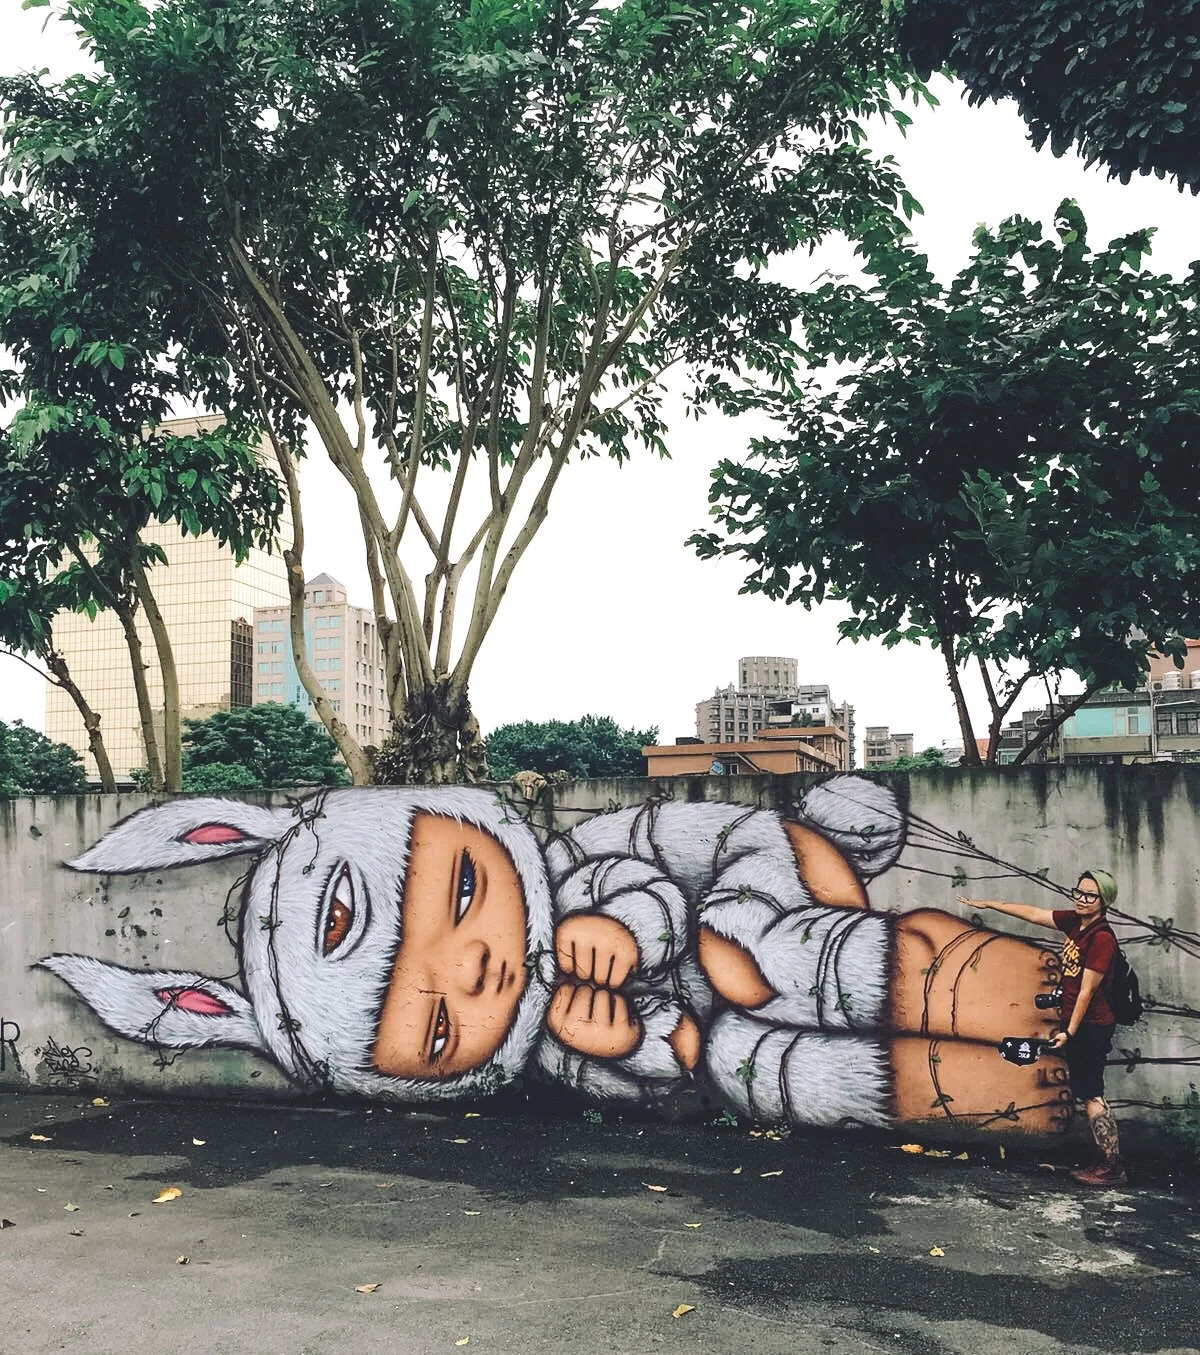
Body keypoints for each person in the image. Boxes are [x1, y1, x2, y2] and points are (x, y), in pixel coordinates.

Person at [956, 871, 1126, 1186]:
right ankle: (1106, 1162)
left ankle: (1112, 1168)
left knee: (1091, 1094)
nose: (1081, 899)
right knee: (1088, 1091)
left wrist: (1070, 1032)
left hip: (1091, 1026)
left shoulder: (1101, 938)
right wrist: (990, 904)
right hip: (1078, 1023)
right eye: (1079, 891)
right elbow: (1034, 914)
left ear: (1103, 902)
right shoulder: (1075, 922)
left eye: (1090, 895)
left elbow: (1087, 991)